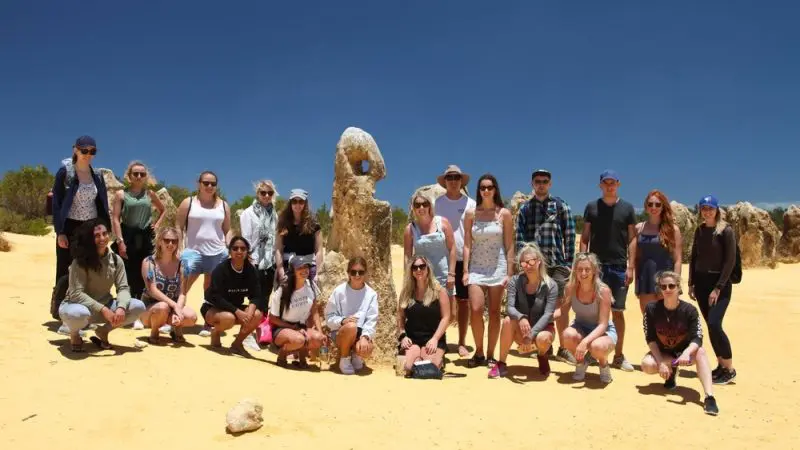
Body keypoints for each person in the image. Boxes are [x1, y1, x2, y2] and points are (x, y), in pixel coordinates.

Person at [514, 168, 576, 365]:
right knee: (539, 306)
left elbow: (570, 234)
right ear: (532, 184)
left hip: (557, 263)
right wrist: (523, 263)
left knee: (561, 307)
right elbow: (520, 239)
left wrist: (568, 262)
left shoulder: (560, 206)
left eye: (545, 181)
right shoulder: (525, 209)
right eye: (537, 181)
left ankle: (564, 348)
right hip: (535, 266)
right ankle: (544, 346)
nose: (541, 184)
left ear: (550, 184)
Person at [58, 219, 145, 352]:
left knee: (137, 307)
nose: (102, 238)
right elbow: (76, 293)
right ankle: (74, 334)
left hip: (105, 307)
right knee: (78, 314)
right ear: (89, 238)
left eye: (105, 234)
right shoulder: (80, 261)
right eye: (97, 235)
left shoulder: (116, 260)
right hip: (77, 306)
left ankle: (103, 331)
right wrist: (103, 309)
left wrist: (121, 307)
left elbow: (123, 288)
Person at [580, 169, 636, 372]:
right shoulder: (592, 207)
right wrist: (582, 262)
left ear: (618, 184)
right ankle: (592, 353)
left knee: (617, 312)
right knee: (595, 312)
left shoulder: (628, 208)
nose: (610, 186)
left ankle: (619, 356)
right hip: (597, 268)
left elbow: (632, 238)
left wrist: (631, 266)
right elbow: (585, 237)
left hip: (620, 267)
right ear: (600, 186)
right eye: (606, 183)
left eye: (613, 183)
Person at [641, 271, 719, 415]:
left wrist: (686, 353)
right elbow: (650, 339)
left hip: (685, 353)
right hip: (665, 352)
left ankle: (709, 397)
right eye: (663, 287)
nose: (667, 290)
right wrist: (661, 363)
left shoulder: (690, 311)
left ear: (678, 288)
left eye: (671, 286)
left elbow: (698, 338)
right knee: (647, 365)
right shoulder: (651, 309)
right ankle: (672, 370)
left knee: (701, 352)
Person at [51, 136, 111, 326]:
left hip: (90, 228)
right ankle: (61, 312)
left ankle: (86, 313)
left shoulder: (97, 176)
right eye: (84, 151)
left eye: (92, 151)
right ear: (75, 150)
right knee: (66, 269)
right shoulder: (65, 173)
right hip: (69, 227)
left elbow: (102, 204)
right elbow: (57, 203)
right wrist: (60, 231)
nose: (88, 155)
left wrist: (104, 229)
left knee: (89, 268)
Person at [462, 174, 515, 368]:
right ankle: (479, 351)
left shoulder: (504, 214)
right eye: (482, 187)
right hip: (476, 267)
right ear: (478, 190)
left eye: (489, 187)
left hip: (497, 267)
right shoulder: (471, 214)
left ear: (495, 189)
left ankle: (491, 354)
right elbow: (467, 244)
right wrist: (466, 270)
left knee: (494, 312)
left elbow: (509, 244)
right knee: (475, 310)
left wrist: (510, 272)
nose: (486, 190)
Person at [176, 170, 232, 337]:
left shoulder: (223, 205)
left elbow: (227, 229)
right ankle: (175, 320)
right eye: (205, 183)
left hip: (217, 253)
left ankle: (208, 323)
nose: (209, 186)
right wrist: (180, 248)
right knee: (183, 287)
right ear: (198, 184)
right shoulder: (189, 202)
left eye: (213, 184)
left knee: (210, 291)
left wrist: (227, 247)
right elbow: (178, 226)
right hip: (193, 252)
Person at [689, 195, 737, 385]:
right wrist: (691, 283)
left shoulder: (726, 230)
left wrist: (718, 287)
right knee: (710, 325)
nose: (707, 211)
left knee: (715, 324)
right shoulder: (700, 230)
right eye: (704, 208)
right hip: (701, 283)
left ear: (717, 210)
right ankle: (721, 365)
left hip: (720, 283)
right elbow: (694, 257)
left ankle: (730, 369)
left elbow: (730, 261)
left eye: (710, 208)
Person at [111, 161, 165, 328]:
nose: (139, 176)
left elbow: (163, 209)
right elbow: (115, 218)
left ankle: (140, 312)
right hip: (127, 236)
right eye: (136, 174)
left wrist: (155, 225)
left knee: (144, 272)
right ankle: (125, 311)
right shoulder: (121, 194)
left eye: (142, 174)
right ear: (129, 176)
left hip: (145, 237)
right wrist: (120, 241)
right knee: (127, 273)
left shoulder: (149, 194)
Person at [490, 243, 557, 378]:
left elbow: (548, 314)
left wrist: (531, 335)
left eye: (531, 261)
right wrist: (521, 317)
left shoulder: (551, 285)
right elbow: (509, 307)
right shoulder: (515, 281)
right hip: (522, 329)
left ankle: (542, 355)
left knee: (543, 339)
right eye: (524, 263)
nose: (528, 266)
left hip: (542, 329)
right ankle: (501, 363)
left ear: (539, 261)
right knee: (508, 321)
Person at [434, 165, 476, 357]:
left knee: (464, 301)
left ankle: (461, 342)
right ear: (445, 181)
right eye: (449, 177)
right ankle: (440, 340)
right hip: (442, 258)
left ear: (461, 181)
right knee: (439, 299)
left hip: (465, 259)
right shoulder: (438, 203)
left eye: (456, 177)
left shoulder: (471, 204)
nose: (453, 180)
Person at [201, 237, 266, 357]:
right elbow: (214, 296)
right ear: (230, 251)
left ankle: (237, 344)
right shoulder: (221, 269)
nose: (239, 251)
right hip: (213, 307)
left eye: (243, 248)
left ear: (247, 252)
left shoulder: (251, 270)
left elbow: (256, 296)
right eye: (235, 248)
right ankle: (215, 331)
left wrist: (250, 312)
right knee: (229, 318)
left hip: (235, 308)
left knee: (257, 315)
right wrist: (237, 311)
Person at [561, 253, 618, 384]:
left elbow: (603, 324)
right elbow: (562, 311)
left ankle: (603, 364)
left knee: (597, 346)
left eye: (587, 269)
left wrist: (584, 342)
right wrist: (543, 317)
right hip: (581, 327)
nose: (583, 273)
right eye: (580, 269)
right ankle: (581, 363)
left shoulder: (604, 291)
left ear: (594, 271)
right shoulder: (570, 287)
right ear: (575, 270)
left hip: (603, 332)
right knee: (568, 335)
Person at [139, 227, 197, 344]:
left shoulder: (182, 264)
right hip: (150, 309)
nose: (170, 244)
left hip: (172, 307)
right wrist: (175, 306)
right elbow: (152, 290)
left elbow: (182, 293)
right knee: (162, 307)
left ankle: (176, 328)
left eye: (174, 241)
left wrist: (177, 311)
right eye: (166, 240)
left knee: (191, 317)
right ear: (160, 241)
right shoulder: (149, 262)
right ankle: (154, 331)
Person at [628, 189, 682, 313]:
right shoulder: (639, 228)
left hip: (667, 279)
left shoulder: (673, 230)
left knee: (668, 320)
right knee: (648, 319)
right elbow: (637, 257)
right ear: (646, 207)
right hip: (645, 278)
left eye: (658, 204)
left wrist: (676, 284)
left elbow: (677, 259)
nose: (654, 207)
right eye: (650, 204)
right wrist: (637, 282)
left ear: (663, 207)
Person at [269, 255, 326, 369]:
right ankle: (282, 353)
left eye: (306, 267)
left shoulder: (311, 287)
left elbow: (314, 312)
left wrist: (321, 332)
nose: (304, 270)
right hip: (281, 329)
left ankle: (301, 357)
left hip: (300, 327)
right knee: (299, 339)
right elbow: (272, 318)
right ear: (292, 271)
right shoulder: (283, 289)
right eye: (300, 268)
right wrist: (293, 327)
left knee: (319, 339)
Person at [396, 256, 451, 374]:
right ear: (411, 271)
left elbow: (446, 317)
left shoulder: (439, 291)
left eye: (422, 266)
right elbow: (400, 317)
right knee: (409, 368)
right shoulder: (406, 292)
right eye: (415, 268)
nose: (418, 270)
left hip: (432, 338)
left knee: (428, 369)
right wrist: (403, 336)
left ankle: (437, 359)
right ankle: (418, 357)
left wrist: (435, 339)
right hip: (412, 339)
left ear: (428, 269)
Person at [325, 257, 379, 375]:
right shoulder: (339, 292)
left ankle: (356, 354)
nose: (357, 275)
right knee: (351, 327)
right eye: (353, 272)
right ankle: (344, 359)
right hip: (341, 332)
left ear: (365, 273)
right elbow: (329, 317)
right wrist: (343, 320)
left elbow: (371, 320)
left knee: (368, 349)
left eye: (361, 272)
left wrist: (365, 337)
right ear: (348, 273)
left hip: (359, 333)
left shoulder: (371, 294)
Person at [404, 191, 456, 304]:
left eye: (424, 204)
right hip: (421, 278)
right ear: (413, 208)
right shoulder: (410, 229)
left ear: (430, 205)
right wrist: (407, 278)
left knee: (450, 314)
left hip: (444, 276)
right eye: (417, 205)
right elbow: (407, 255)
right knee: (428, 312)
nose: (421, 207)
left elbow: (452, 248)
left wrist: (451, 274)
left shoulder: (443, 222)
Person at [274, 189, 323, 285]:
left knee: (312, 297)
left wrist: (318, 272)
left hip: (309, 267)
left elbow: (319, 250)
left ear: (305, 203)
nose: (297, 205)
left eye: (301, 201)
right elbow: (278, 249)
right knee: (286, 298)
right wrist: (280, 269)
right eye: (294, 201)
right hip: (288, 266)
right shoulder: (283, 223)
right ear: (290, 203)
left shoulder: (314, 225)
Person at [240, 180, 279, 294]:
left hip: (270, 262)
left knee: (267, 294)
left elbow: (275, 236)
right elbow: (245, 237)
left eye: (270, 193)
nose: (267, 196)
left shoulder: (274, 214)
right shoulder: (248, 213)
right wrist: (247, 256)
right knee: (255, 295)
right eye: (263, 193)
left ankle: (264, 313)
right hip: (255, 260)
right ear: (258, 194)